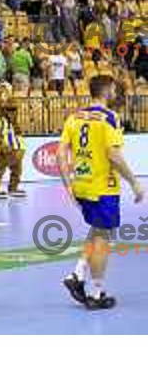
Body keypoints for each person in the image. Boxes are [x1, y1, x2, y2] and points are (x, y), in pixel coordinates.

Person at [60, 74, 144, 310]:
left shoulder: (74, 116)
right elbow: (114, 155)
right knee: (103, 239)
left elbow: (60, 153)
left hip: (82, 184)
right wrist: (134, 182)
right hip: (103, 186)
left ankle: (77, 273)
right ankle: (96, 295)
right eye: (114, 90)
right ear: (106, 90)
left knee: (97, 230)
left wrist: (68, 184)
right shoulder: (109, 118)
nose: (116, 94)